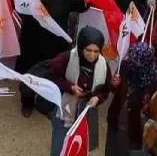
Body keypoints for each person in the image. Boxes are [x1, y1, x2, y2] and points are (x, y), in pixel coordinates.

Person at [45, 26, 112, 156]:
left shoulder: (103, 65)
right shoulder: (66, 58)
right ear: (81, 47)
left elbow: (105, 90)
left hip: (86, 111)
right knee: (60, 143)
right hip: (65, 108)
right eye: (88, 50)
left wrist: (97, 98)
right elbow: (50, 76)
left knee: (80, 143)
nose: (92, 55)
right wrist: (69, 87)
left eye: (96, 51)